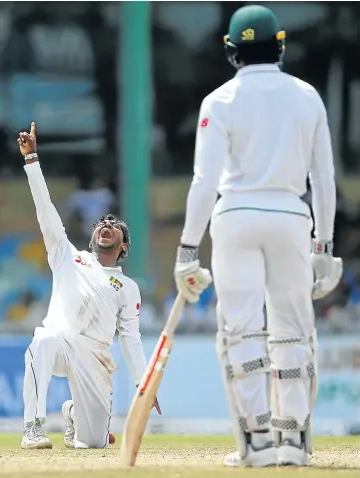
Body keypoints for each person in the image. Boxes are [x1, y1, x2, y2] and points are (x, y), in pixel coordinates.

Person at [173, 5, 343, 468]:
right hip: (292, 216)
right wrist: (324, 247)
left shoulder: (219, 101)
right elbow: (323, 178)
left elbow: (204, 183)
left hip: (236, 218)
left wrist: (188, 250)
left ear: (232, 52)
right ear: (280, 46)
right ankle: (294, 442)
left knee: (241, 332)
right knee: (293, 330)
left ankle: (259, 443)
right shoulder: (307, 96)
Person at [17, 123, 161, 450]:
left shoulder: (127, 287)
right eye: (103, 223)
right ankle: (33, 428)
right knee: (43, 340)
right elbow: (46, 211)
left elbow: (131, 341)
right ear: (94, 235)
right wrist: (32, 161)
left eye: (115, 225)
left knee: (94, 442)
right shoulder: (68, 255)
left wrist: (144, 384)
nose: (107, 225)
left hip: (95, 358)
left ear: (123, 247)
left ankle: (72, 416)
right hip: (62, 342)